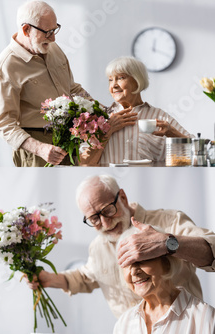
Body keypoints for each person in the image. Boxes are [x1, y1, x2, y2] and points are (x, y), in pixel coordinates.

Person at [27, 175, 215, 318]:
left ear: (123, 197)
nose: (106, 223)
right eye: (94, 218)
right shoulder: (98, 247)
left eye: (108, 210)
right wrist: (50, 279)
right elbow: (86, 277)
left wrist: (167, 243)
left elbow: (212, 250)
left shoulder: (169, 220)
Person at [0, 0, 92, 167]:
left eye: (54, 30)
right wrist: (40, 149)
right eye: (47, 32)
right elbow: (5, 125)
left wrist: (103, 112)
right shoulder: (6, 66)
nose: (53, 38)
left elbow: (72, 89)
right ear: (26, 29)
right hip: (36, 152)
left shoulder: (53, 48)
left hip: (69, 142)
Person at [80, 56, 191, 165]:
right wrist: (108, 130)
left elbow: (196, 152)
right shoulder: (100, 118)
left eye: (121, 78)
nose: (114, 85)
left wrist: (172, 132)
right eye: (110, 80)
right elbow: (85, 164)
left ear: (137, 80)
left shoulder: (159, 116)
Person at [114, 227, 215, 333]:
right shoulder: (123, 324)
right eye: (127, 263)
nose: (134, 272)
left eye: (141, 260)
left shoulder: (205, 320)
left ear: (166, 262)